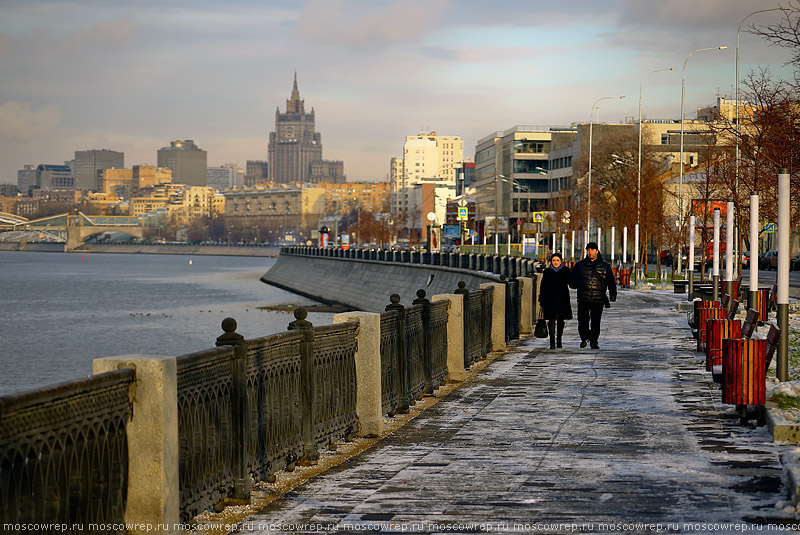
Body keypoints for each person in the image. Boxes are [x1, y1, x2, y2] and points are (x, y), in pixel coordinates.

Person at [570, 242, 617, 349]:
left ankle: (594, 341)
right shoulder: (580, 265)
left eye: (592, 250)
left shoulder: (605, 266)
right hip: (583, 297)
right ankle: (584, 337)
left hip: (598, 298)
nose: (590, 252)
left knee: (596, 321)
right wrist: (579, 284)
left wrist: (612, 294)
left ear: (597, 251)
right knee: (582, 320)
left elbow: (611, 282)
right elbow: (572, 281)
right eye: (588, 250)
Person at [538, 252, 572, 349]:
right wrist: (541, 298)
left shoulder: (566, 271)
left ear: (561, 261)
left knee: (561, 319)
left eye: (557, 260)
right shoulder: (547, 271)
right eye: (553, 260)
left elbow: (571, 282)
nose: (555, 262)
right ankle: (552, 341)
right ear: (551, 261)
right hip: (550, 298)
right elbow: (543, 286)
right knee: (551, 319)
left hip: (562, 298)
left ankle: (559, 340)